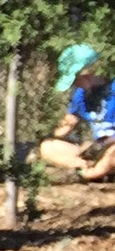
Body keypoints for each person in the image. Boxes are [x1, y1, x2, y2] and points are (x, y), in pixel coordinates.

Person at [38, 43, 115, 181]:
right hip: (96, 149)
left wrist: (104, 144)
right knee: (47, 147)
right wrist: (54, 134)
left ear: (87, 72)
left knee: (112, 152)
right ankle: (87, 167)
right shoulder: (80, 95)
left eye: (75, 80)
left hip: (110, 146)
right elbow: (68, 123)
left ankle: (91, 174)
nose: (74, 85)